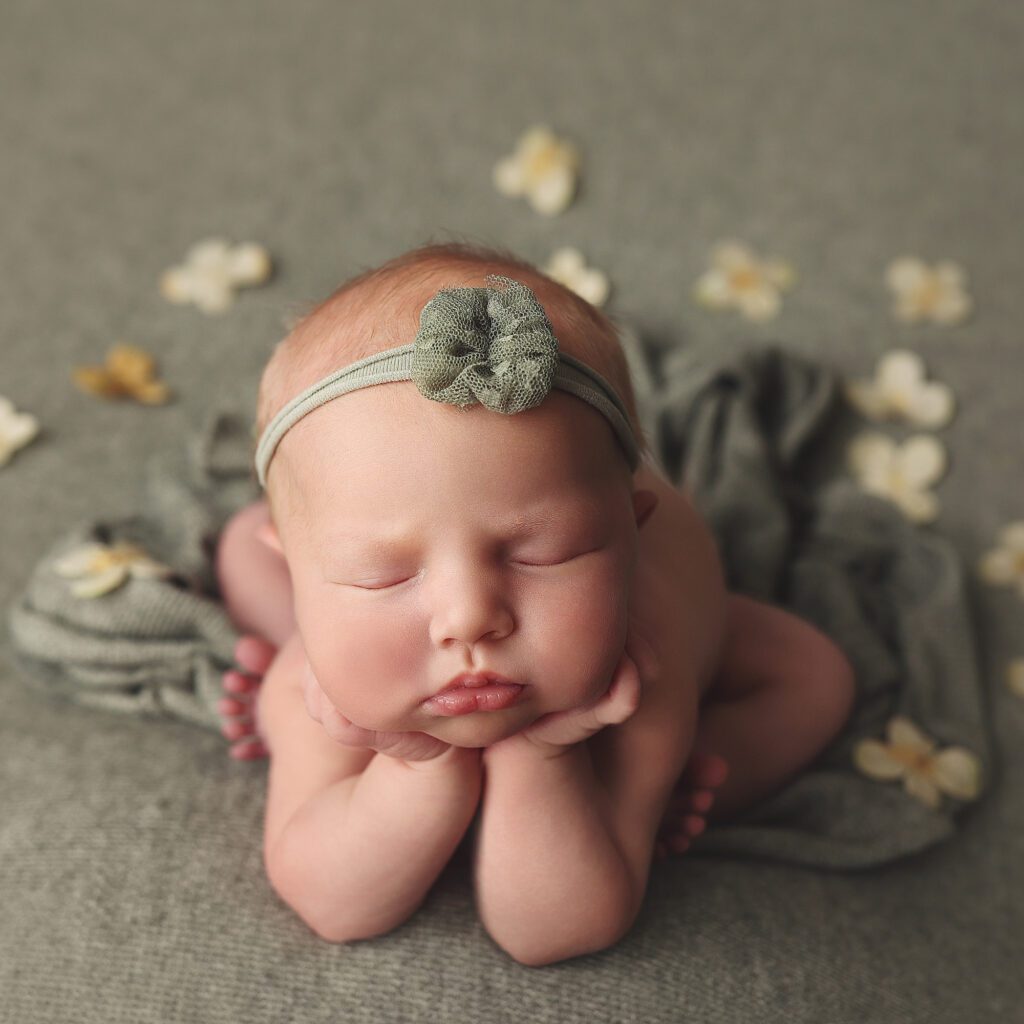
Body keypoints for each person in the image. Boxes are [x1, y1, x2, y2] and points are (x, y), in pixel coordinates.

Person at [214, 242, 856, 966]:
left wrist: (547, 755)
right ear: (296, 565)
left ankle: (660, 801)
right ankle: (305, 603)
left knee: (818, 676)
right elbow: (334, 906)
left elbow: (553, 932)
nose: (469, 617)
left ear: (628, 534)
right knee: (241, 544)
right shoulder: (318, 690)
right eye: (381, 575)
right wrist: (413, 768)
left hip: (683, 605)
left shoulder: (644, 679)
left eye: (542, 553)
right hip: (341, 633)